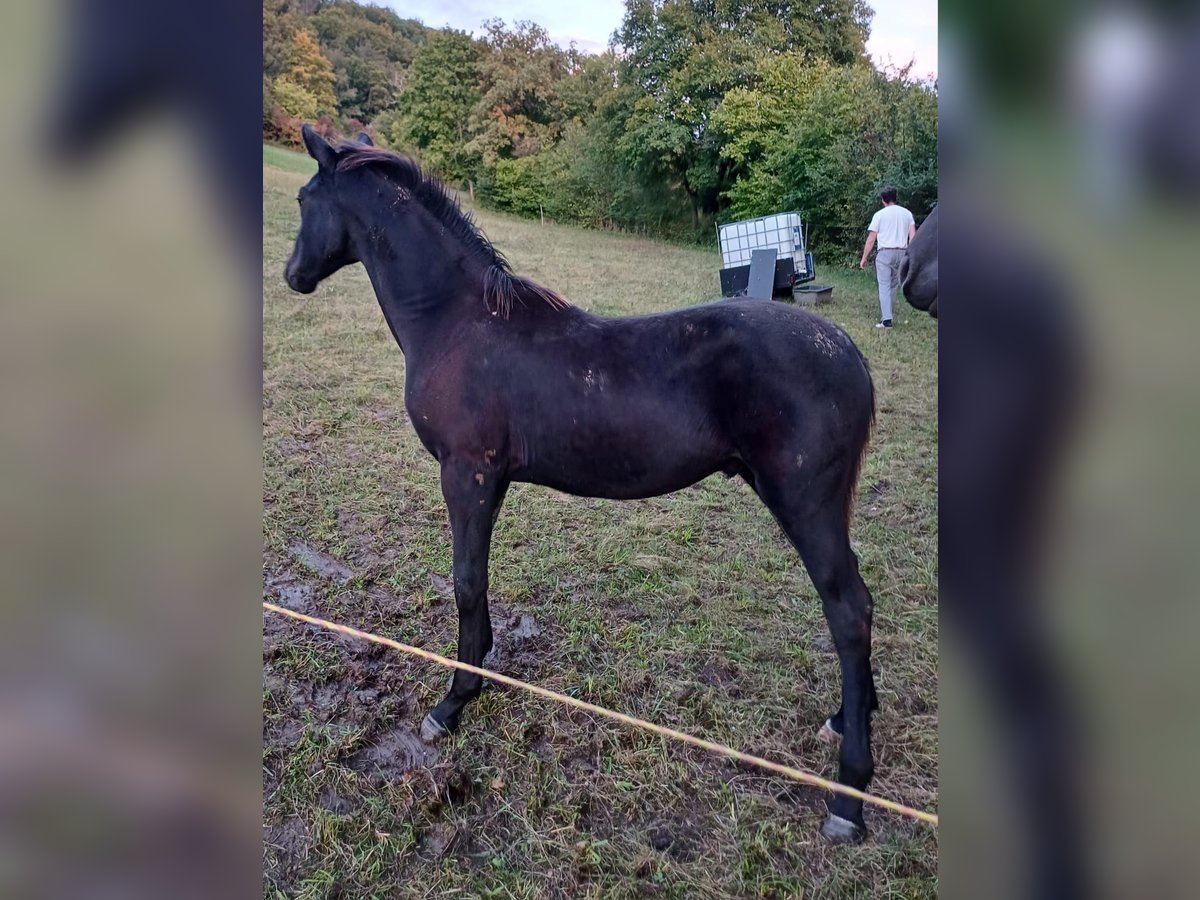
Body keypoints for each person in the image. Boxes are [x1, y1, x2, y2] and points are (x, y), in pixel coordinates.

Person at [859, 187, 917, 328]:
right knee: (893, 286)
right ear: (895, 197)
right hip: (902, 253)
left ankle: (886, 320)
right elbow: (913, 237)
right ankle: (888, 315)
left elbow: (872, 238)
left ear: (883, 200)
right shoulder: (907, 214)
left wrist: (864, 257)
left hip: (885, 253)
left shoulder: (880, 215)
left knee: (884, 286)